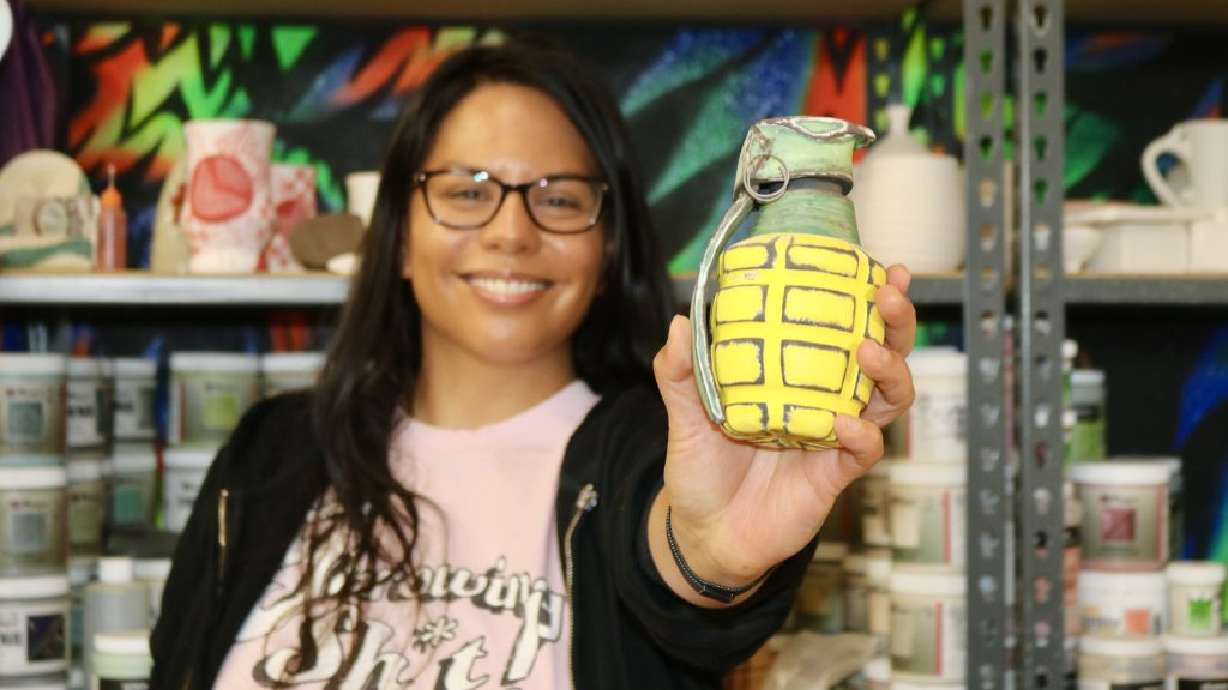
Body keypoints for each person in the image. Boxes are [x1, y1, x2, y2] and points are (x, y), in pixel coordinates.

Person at [150, 40, 918, 690]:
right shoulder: (269, 454)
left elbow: (679, 576)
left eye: (557, 199)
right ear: (400, 234)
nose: (511, 232)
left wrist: (712, 559)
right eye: (465, 191)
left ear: (607, 244)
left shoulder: (655, 456)